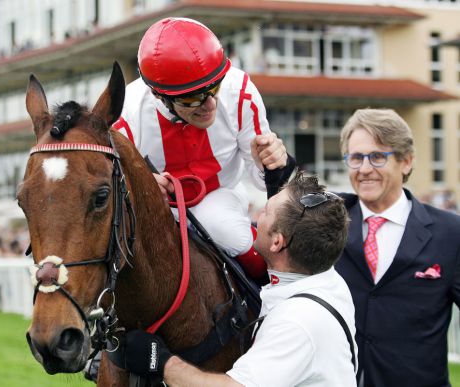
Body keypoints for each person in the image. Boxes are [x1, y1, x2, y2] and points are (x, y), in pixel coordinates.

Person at [112, 171, 357, 387]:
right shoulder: (325, 278)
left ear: (277, 242)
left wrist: (162, 362)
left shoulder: (298, 322)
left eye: (266, 212)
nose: (258, 214)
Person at [113, 17, 294, 281]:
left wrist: (271, 162)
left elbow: (259, 181)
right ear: (159, 96)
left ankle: (273, 296)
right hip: (155, 208)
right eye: (192, 98)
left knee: (224, 229)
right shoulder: (126, 115)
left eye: (214, 88)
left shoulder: (240, 91)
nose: (210, 104)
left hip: (219, 193)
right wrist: (139, 186)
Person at [334, 108, 460, 387]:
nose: (365, 169)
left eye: (378, 157)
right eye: (356, 158)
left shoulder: (451, 233)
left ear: (406, 162)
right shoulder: (329, 222)